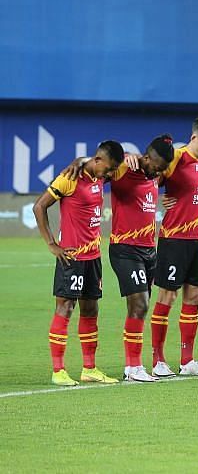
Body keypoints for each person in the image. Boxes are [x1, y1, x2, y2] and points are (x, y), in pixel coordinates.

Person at [33, 140, 124, 386]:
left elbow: (127, 159)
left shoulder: (99, 177)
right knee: (65, 308)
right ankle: (58, 370)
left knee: (91, 310)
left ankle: (89, 368)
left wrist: (82, 159)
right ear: (97, 161)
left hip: (93, 257)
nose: (109, 174)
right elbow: (39, 206)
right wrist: (52, 244)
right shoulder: (70, 179)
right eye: (107, 168)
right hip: (71, 257)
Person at [149, 116, 198, 378]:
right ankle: (158, 360)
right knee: (167, 297)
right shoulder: (175, 158)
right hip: (174, 240)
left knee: (193, 297)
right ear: (194, 137)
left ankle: (187, 360)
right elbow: (148, 182)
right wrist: (159, 201)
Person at [108, 135, 175, 382]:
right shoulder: (124, 169)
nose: (157, 173)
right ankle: (134, 367)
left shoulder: (155, 175)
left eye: (161, 170)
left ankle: (131, 367)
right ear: (145, 157)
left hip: (149, 249)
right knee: (140, 304)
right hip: (125, 248)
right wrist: (124, 157)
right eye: (155, 166)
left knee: (138, 308)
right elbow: (96, 167)